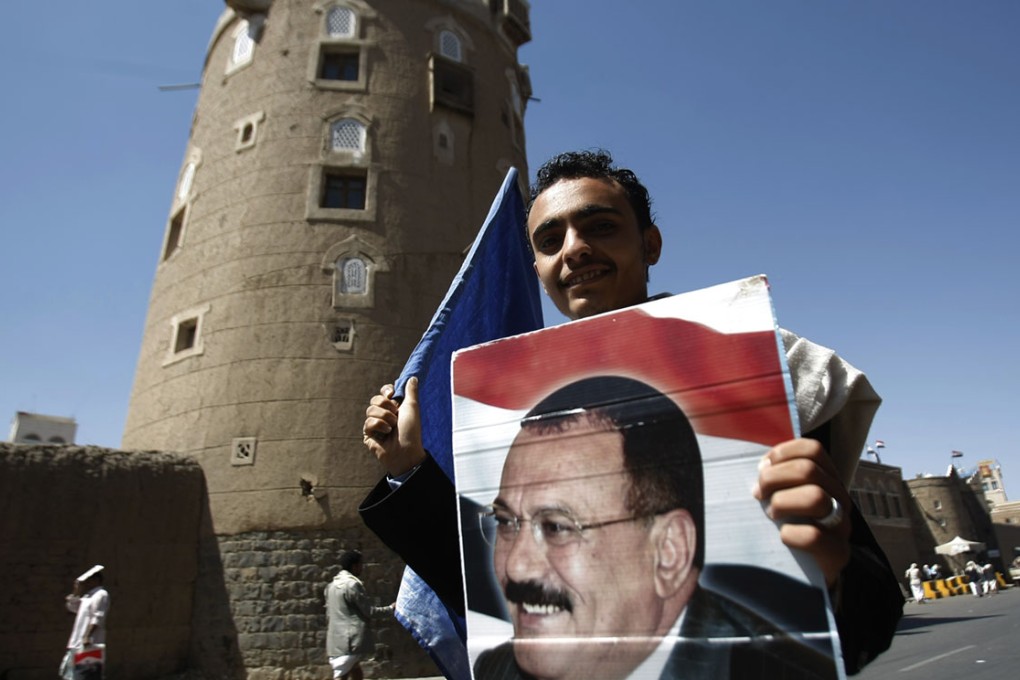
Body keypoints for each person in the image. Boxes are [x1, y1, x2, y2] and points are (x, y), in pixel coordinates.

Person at [360, 150, 902, 674]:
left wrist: (831, 567)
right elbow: (488, 594)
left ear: (650, 244)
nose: (573, 249)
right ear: (537, 268)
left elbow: (862, 622)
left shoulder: (763, 368)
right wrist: (409, 467)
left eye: (599, 227)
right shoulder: (511, 399)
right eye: (551, 240)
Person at [473, 375, 836, 680]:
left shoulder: (777, 672)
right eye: (506, 522)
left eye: (556, 527)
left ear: (669, 551)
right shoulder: (497, 669)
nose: (515, 566)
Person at [325, 550, 395, 680]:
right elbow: (369, 611)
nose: (362, 568)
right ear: (354, 566)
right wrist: (390, 609)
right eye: (360, 564)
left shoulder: (331, 586)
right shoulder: (352, 585)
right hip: (350, 641)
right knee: (342, 675)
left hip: (336, 640)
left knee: (355, 669)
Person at [60, 564, 109, 680]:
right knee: (72, 675)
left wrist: (87, 636)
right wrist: (76, 591)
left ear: (96, 580)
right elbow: (72, 607)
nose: (86, 583)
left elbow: (97, 616)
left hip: (89, 644)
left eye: (89, 580)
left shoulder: (101, 594)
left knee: (86, 674)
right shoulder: (88, 596)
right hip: (76, 643)